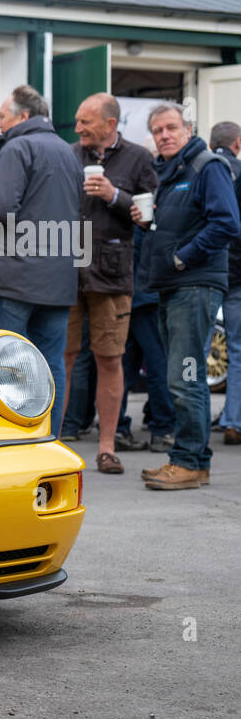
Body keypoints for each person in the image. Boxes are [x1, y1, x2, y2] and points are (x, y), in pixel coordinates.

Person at [0, 84, 82, 435]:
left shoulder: (18, 146)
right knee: (50, 365)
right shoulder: (67, 152)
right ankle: (48, 440)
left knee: (2, 366)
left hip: (11, 276)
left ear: (23, 116)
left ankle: (6, 444)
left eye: (1, 116)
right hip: (58, 278)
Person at [136, 103, 241, 489]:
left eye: (171, 127)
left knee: (186, 375)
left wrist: (182, 258)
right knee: (181, 374)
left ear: (188, 128)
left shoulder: (206, 165)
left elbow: (227, 223)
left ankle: (190, 463)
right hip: (173, 285)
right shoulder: (171, 171)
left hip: (194, 284)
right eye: (157, 129)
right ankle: (189, 458)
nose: (164, 134)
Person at [65, 92, 160, 474]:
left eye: (85, 122)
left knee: (109, 358)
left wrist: (114, 195)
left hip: (112, 272)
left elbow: (149, 216)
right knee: (63, 358)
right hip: (68, 271)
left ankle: (106, 447)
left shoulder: (139, 158)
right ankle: (51, 443)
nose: (77, 129)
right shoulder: (70, 155)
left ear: (109, 124)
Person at [117, 226, 175, 452]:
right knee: (158, 364)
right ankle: (163, 429)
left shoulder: (123, 210)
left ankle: (118, 428)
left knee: (123, 367)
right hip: (147, 297)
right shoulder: (148, 215)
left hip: (128, 295)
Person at [209, 120, 241, 446]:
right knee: (238, 351)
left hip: (205, 273)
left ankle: (190, 423)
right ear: (238, 142)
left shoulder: (203, 169)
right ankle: (234, 421)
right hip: (238, 276)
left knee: (196, 350)